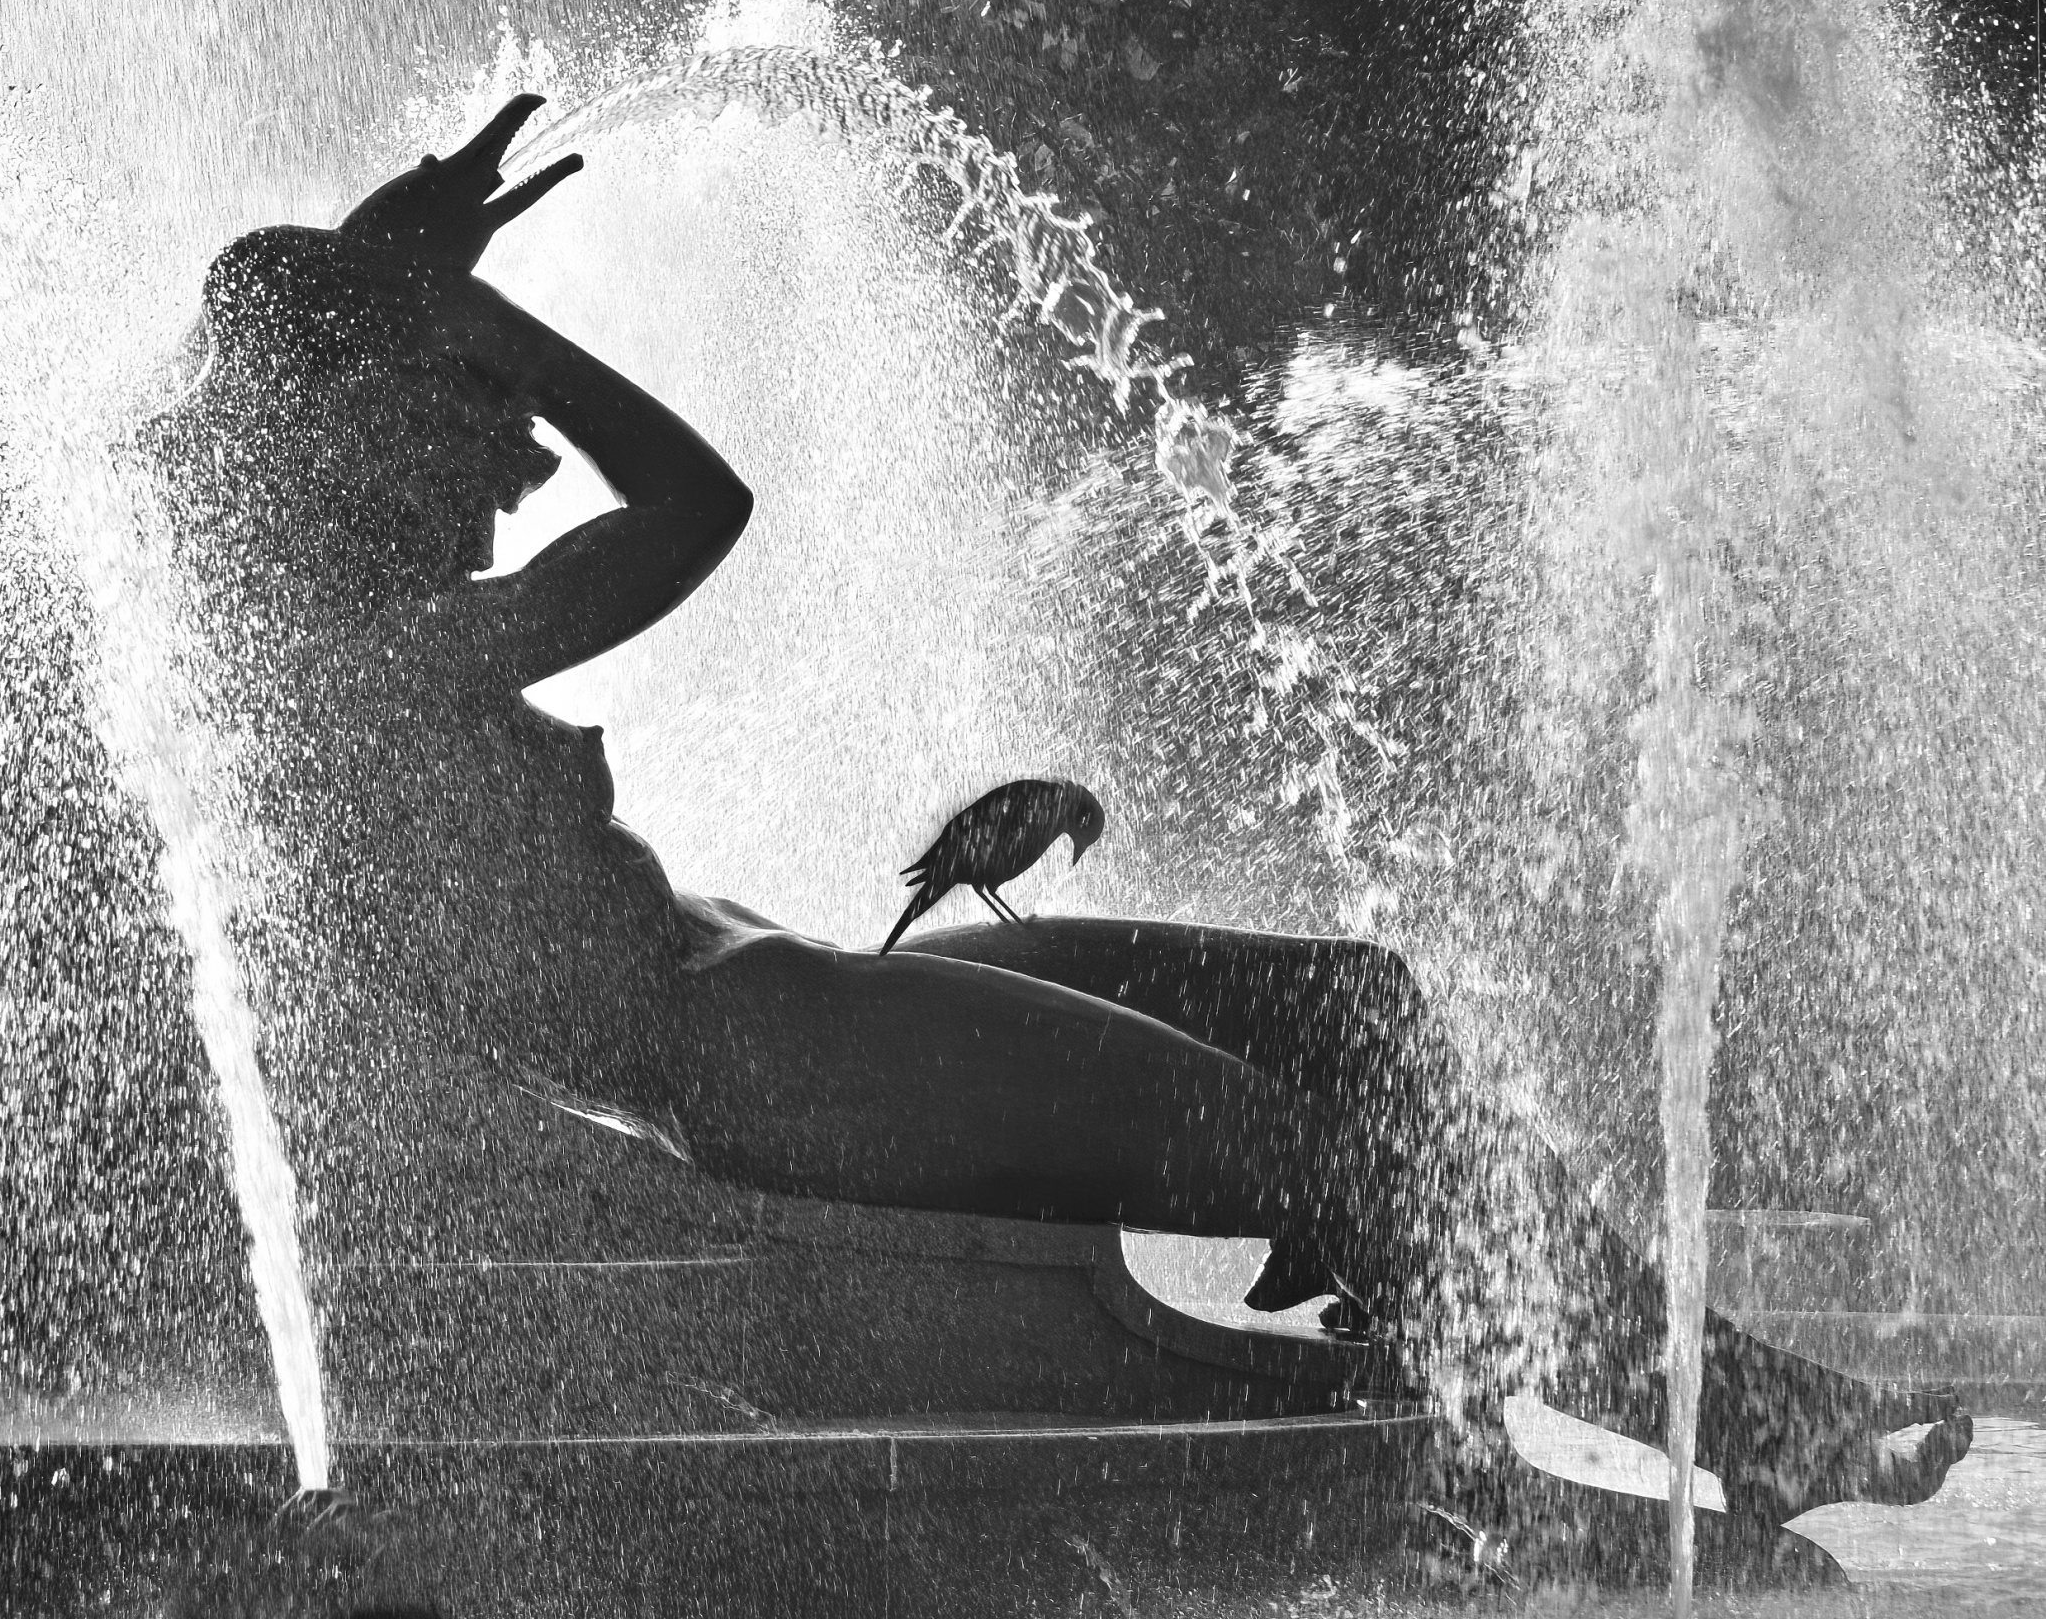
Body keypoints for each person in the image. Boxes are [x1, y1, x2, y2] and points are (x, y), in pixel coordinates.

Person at [141, 97, 1970, 1531]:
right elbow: (696, 505)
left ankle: (1616, 1380)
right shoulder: (341, 664)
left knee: (1354, 1001)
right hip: (757, 1064)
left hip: (785, 990)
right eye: (465, 405)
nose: (523, 457)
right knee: (1318, 1154)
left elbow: (250, 365)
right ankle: (1690, 1434)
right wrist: (462, 307)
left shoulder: (334, 623)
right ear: (338, 425)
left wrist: (377, 278)